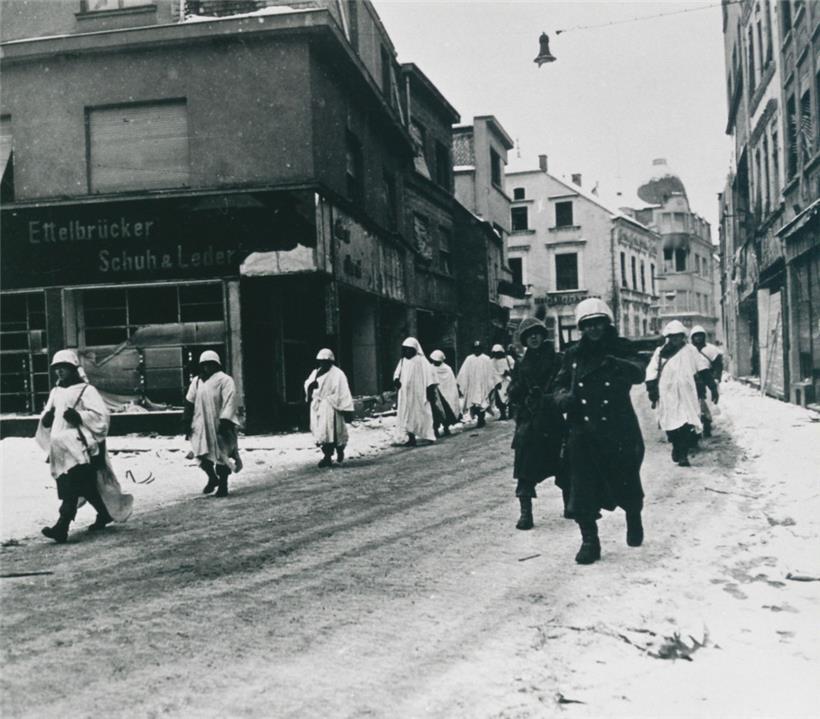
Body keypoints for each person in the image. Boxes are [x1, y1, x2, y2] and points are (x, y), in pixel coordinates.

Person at [553, 299, 646, 565]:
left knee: (627, 481)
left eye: (599, 324)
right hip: (583, 430)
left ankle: (633, 515)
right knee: (580, 488)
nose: (594, 329)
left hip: (618, 428)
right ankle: (590, 541)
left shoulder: (622, 348)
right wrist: (562, 398)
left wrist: (617, 363)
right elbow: (558, 384)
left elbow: (639, 371)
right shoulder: (573, 355)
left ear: (607, 324)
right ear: (582, 327)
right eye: (588, 325)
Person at [36, 349, 133, 543]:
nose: (60, 372)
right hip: (60, 450)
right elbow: (49, 416)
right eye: (57, 368)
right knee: (85, 487)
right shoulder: (56, 392)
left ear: (73, 369)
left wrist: (79, 416)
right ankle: (104, 513)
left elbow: (101, 417)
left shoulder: (86, 391)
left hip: (79, 449)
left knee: (71, 488)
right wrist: (46, 419)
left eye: (64, 368)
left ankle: (61, 527)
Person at [506, 318, 565, 530]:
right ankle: (526, 514)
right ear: (524, 340)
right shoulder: (522, 365)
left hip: (554, 420)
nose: (533, 337)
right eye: (528, 335)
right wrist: (519, 393)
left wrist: (550, 396)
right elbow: (514, 391)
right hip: (530, 422)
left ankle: (571, 504)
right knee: (524, 467)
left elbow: (566, 386)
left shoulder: (558, 360)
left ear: (543, 335)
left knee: (566, 464)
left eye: (536, 333)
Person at [645, 321, 717, 467]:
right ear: (668, 337)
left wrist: (712, 387)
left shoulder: (690, 350)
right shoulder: (660, 352)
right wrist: (652, 390)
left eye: (678, 336)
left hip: (686, 393)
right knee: (670, 423)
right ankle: (676, 446)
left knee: (685, 422)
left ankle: (683, 454)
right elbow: (651, 371)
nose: (675, 339)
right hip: (667, 393)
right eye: (672, 336)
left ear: (683, 336)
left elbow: (702, 368)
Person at [183, 350, 241, 497]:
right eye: (205, 365)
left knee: (222, 455)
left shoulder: (225, 380)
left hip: (219, 423)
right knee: (201, 453)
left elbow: (230, 400)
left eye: (211, 364)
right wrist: (186, 420)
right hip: (200, 423)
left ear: (216, 365)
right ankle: (212, 477)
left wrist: (225, 420)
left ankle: (223, 484)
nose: (207, 367)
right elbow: (189, 402)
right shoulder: (196, 381)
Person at [304, 348, 354, 467]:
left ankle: (339, 449)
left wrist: (347, 409)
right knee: (322, 433)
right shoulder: (316, 372)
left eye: (326, 361)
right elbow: (308, 385)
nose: (323, 363)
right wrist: (311, 387)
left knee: (334, 431)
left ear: (331, 362)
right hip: (319, 406)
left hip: (332, 407)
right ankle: (327, 455)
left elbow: (343, 391)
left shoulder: (338, 374)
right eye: (321, 361)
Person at [393, 337, 437, 446]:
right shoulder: (403, 361)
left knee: (422, 414)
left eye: (409, 349)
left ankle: (428, 435)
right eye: (405, 349)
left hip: (418, 394)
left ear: (414, 349)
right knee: (407, 415)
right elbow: (397, 374)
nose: (407, 351)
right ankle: (410, 438)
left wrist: (429, 390)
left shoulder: (421, 361)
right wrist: (396, 380)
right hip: (405, 395)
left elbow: (429, 376)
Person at [690, 325, 723, 437]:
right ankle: (694, 429)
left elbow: (718, 365)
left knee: (707, 405)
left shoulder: (711, 350)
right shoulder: (689, 350)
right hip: (693, 380)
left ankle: (707, 427)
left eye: (700, 336)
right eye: (696, 336)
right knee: (694, 406)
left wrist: (716, 378)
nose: (698, 338)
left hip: (707, 379)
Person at [457, 341, 500, 428]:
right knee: (473, 403)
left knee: (482, 402)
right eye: (475, 349)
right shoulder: (469, 359)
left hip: (483, 385)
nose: (477, 350)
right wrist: (460, 383)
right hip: (472, 385)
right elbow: (463, 372)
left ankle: (481, 418)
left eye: (478, 349)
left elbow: (491, 372)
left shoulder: (486, 359)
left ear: (481, 349)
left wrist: (494, 382)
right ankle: (478, 418)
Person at [429, 349, 460, 437]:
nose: (436, 363)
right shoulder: (430, 368)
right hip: (436, 393)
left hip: (446, 395)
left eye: (437, 361)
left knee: (447, 410)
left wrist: (452, 393)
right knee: (435, 412)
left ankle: (446, 427)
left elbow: (451, 383)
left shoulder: (447, 369)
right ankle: (435, 430)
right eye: (434, 361)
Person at [490, 344, 516, 420]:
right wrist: (497, 381)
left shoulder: (508, 358)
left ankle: (511, 413)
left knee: (510, 398)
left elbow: (513, 367)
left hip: (508, 381)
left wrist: (508, 372)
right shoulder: (492, 361)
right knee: (499, 401)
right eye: (495, 353)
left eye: (498, 352)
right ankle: (503, 414)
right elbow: (492, 372)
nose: (497, 354)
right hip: (498, 382)